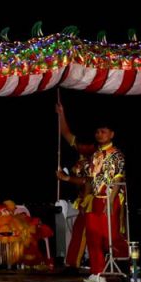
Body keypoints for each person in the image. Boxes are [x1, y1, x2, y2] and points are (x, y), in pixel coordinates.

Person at [56, 104, 127, 282]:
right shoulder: (94, 155)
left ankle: (127, 264)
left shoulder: (116, 154)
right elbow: (88, 180)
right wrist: (67, 180)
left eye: (103, 132)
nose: (99, 134)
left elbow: (117, 180)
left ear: (111, 134)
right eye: (97, 132)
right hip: (94, 199)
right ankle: (97, 273)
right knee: (93, 237)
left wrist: (110, 202)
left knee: (110, 237)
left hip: (109, 199)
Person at [55, 103, 96, 269]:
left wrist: (66, 178)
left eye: (84, 146)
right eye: (79, 145)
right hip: (83, 199)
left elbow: (89, 180)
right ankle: (75, 262)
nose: (81, 148)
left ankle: (79, 262)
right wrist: (61, 113)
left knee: (86, 230)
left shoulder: (97, 156)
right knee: (79, 230)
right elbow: (65, 133)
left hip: (95, 199)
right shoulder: (80, 149)